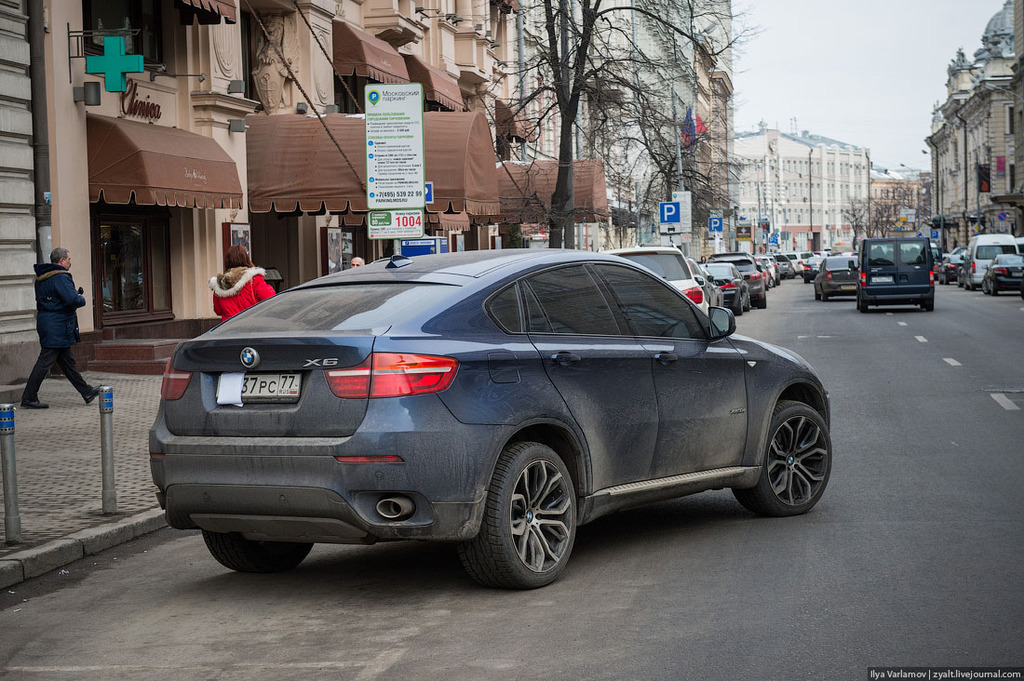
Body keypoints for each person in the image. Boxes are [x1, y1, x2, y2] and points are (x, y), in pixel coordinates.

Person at [20, 248, 99, 409]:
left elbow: (54, 299)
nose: (70, 262)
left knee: (67, 363)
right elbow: (71, 299)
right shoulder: (61, 276)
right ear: (62, 260)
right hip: (57, 325)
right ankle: (28, 397)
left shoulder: (42, 277)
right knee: (45, 361)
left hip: (49, 323)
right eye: (69, 259)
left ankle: (87, 392)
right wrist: (81, 298)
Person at [209, 245, 276, 321]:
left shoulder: (220, 284)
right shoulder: (254, 279)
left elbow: (218, 311)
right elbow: (270, 299)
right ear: (246, 259)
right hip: (250, 326)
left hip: (228, 329)